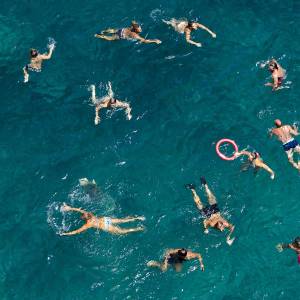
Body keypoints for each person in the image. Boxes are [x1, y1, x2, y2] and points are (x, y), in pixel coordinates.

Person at [186, 177, 235, 245]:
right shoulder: (225, 223)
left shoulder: (212, 224)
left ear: (217, 227)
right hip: (215, 211)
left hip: (207, 214)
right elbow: (232, 227)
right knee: (211, 197)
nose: (222, 227)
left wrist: (205, 229)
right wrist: (228, 236)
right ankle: (205, 184)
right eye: (222, 227)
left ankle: (192, 189)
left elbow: (205, 222)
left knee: (198, 204)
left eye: (220, 227)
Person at [60, 204, 145, 235]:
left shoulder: (88, 224)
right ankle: (138, 218)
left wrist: (66, 233)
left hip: (105, 226)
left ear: (85, 219)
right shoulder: (90, 214)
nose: (84, 214)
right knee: (122, 220)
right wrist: (69, 208)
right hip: (106, 220)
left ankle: (138, 229)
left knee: (123, 231)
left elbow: (77, 231)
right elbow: (79, 210)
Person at [95, 21, 161, 44]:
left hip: (122, 30)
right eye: (139, 29)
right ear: (136, 30)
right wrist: (154, 41)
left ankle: (103, 31)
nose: (140, 29)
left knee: (112, 30)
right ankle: (99, 36)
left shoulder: (133, 26)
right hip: (121, 35)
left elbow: (132, 21)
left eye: (140, 28)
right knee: (111, 38)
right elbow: (145, 41)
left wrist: (134, 23)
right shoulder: (135, 35)